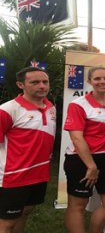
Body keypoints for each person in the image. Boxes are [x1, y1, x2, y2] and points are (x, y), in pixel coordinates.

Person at [63, 66, 105, 233]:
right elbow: (76, 137)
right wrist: (91, 166)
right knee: (78, 205)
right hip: (81, 160)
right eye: (97, 79)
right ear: (89, 81)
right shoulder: (78, 104)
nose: (102, 82)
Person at [0, 67, 56, 233]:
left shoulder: (50, 107)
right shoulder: (7, 110)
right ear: (20, 84)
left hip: (38, 174)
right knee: (6, 223)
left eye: (45, 82)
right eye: (35, 82)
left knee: (25, 212)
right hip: (13, 177)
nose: (42, 86)